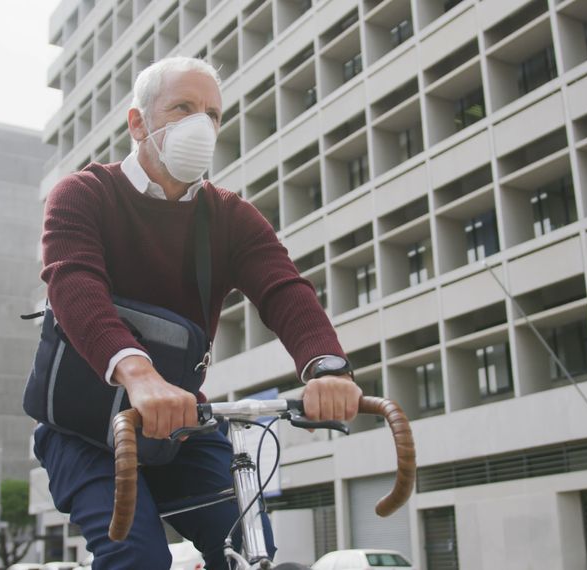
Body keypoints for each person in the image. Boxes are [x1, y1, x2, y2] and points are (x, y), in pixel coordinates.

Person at [34, 56, 361, 570]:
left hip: (182, 426)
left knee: (250, 548)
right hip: (87, 432)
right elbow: (74, 285)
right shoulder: (83, 195)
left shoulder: (229, 215)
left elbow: (284, 289)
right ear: (138, 122)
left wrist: (327, 366)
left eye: (212, 114)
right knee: (137, 558)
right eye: (183, 108)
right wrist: (138, 374)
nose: (201, 126)